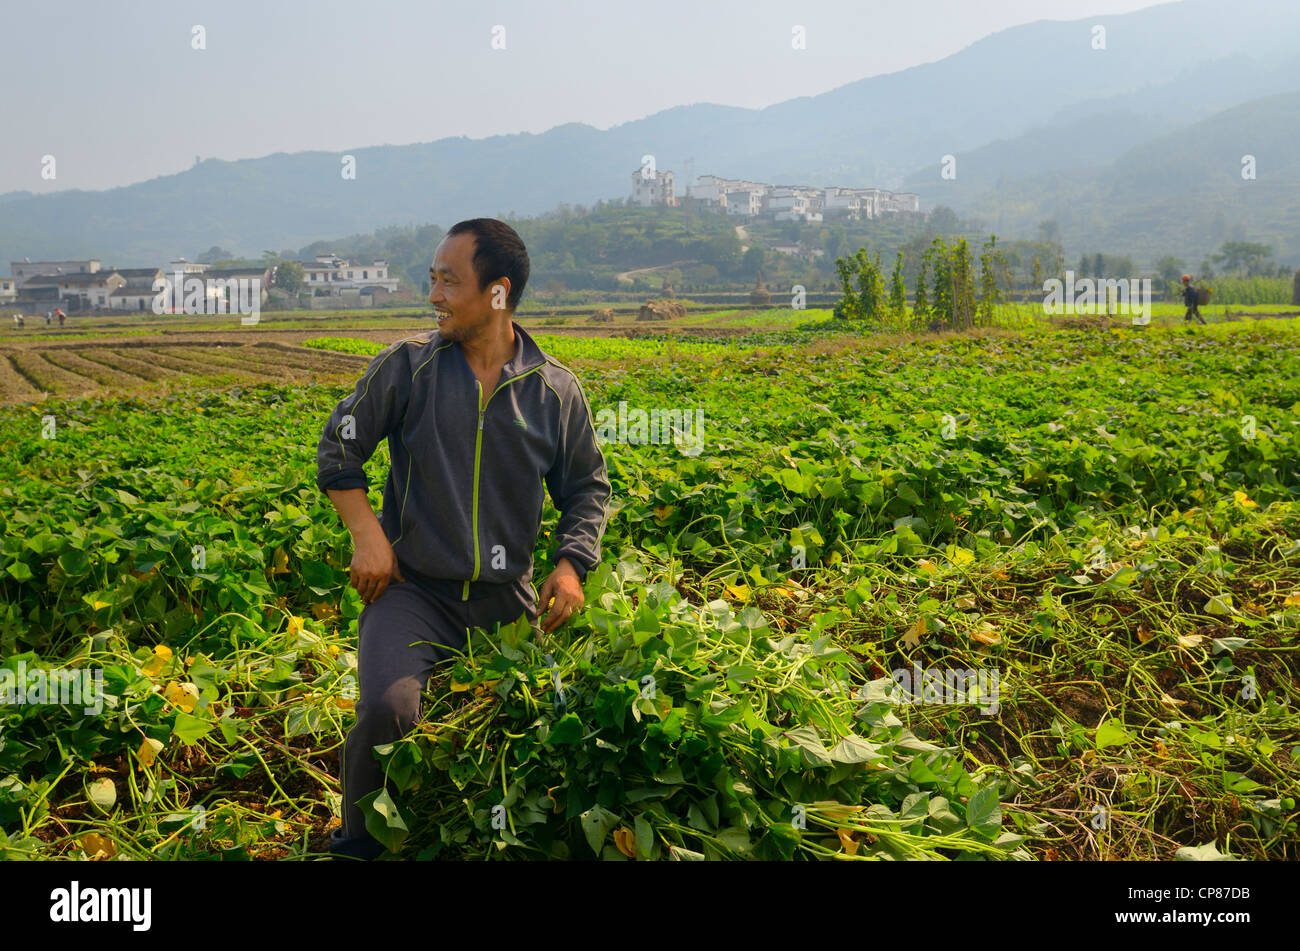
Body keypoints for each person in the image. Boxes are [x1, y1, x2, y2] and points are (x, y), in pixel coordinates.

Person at [315, 218, 612, 860]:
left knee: (553, 725)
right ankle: (357, 845)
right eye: (433, 279)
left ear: (498, 293)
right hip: (414, 591)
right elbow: (339, 449)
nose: (435, 296)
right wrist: (368, 535)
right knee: (388, 710)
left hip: (510, 601)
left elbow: (587, 488)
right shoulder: (409, 368)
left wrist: (569, 567)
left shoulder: (553, 391)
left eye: (449, 282)